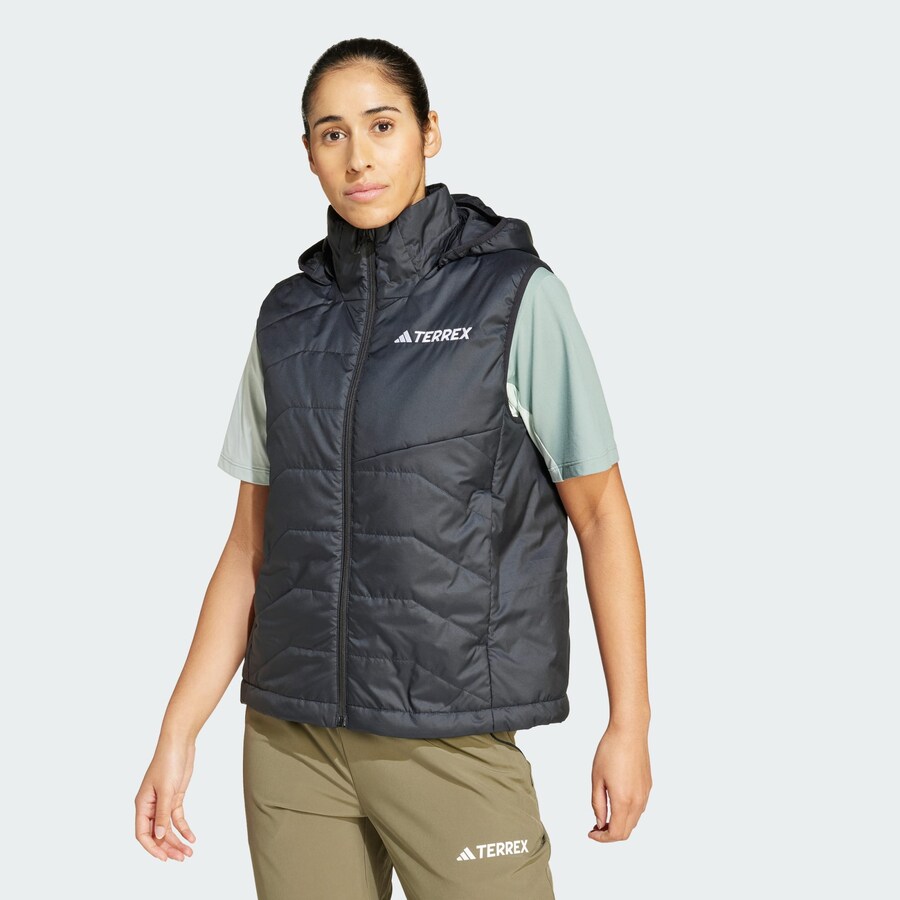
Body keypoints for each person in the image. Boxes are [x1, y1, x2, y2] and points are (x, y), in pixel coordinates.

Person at [134, 36, 651, 900]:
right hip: (292, 744)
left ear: (429, 132)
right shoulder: (287, 320)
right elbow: (250, 551)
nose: (359, 157)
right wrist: (177, 730)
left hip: (451, 735)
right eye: (331, 134)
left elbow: (600, 515)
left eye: (381, 125)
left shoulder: (512, 297)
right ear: (308, 152)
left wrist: (629, 721)